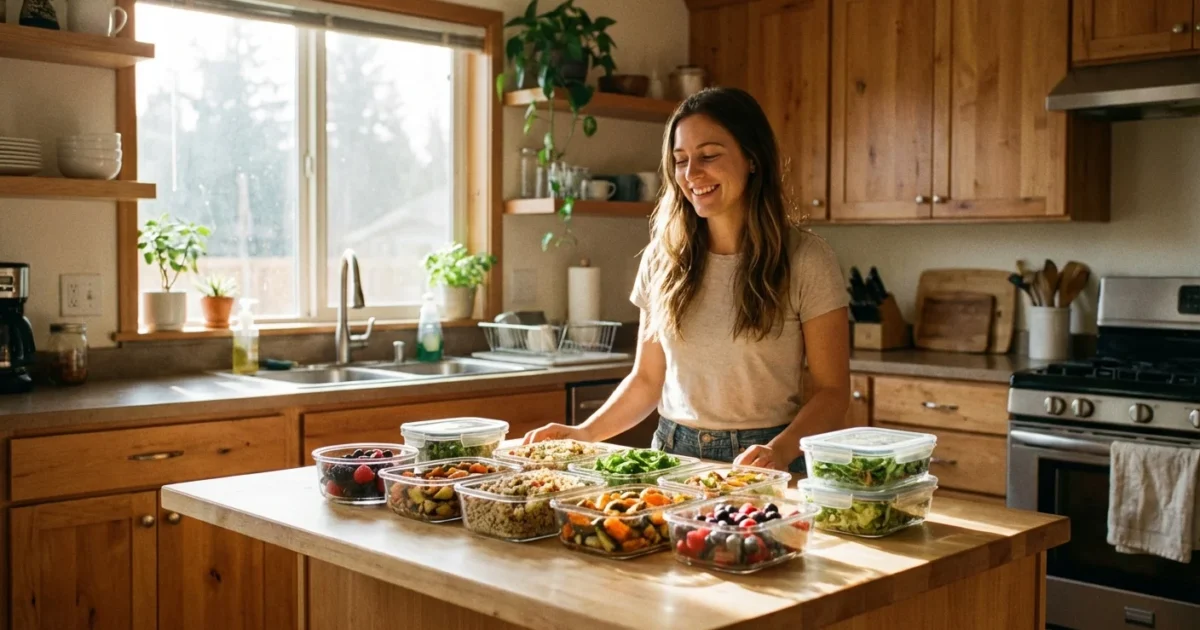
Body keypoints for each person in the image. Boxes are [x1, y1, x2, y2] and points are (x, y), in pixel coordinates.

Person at [522, 87, 850, 472]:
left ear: (752, 158)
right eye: (680, 160)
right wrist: (585, 433)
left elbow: (833, 392)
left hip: (767, 461)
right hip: (671, 455)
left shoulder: (806, 260)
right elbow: (647, 379)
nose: (692, 174)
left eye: (709, 156)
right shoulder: (663, 258)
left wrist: (780, 450)